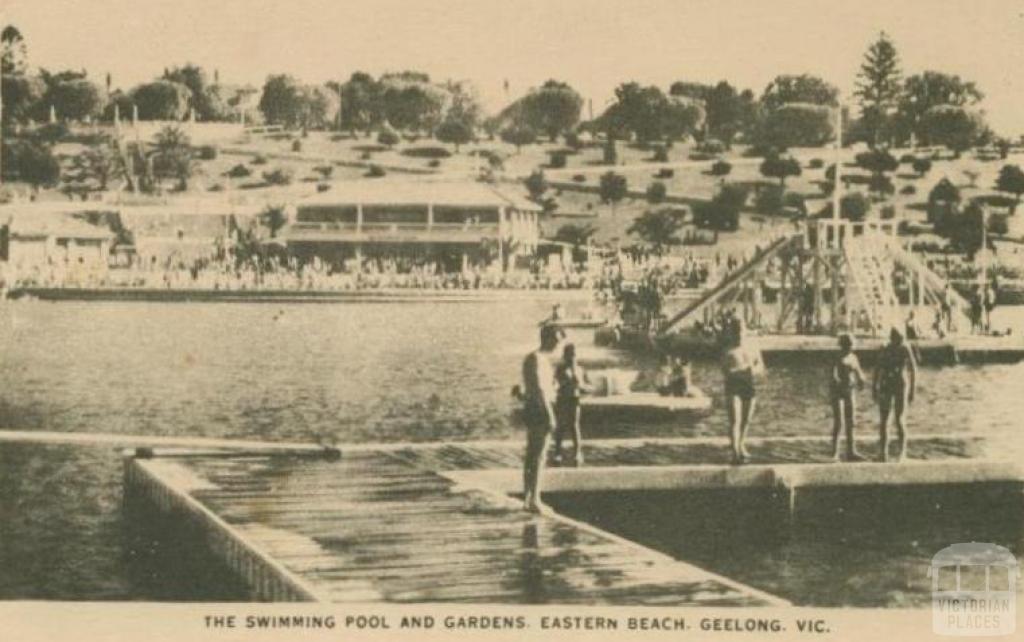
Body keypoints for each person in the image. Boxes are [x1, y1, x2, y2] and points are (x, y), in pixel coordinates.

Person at [520, 324, 564, 514]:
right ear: (547, 338)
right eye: (556, 340)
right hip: (539, 409)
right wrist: (550, 414)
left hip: (537, 407)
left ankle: (529, 497)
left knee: (534, 454)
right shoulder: (536, 359)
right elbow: (539, 390)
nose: (558, 344)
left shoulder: (540, 359)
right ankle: (534, 499)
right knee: (538, 455)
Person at [721, 318, 764, 464]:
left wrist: (753, 369)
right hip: (733, 387)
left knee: (747, 420)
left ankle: (741, 443)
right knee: (735, 421)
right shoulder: (728, 350)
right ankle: (735, 452)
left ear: (745, 331)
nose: (739, 334)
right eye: (736, 331)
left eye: (741, 330)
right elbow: (726, 371)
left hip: (748, 385)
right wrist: (744, 369)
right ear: (731, 333)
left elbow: (761, 367)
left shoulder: (752, 348)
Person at [872, 327, 917, 463]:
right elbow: (878, 368)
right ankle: (883, 453)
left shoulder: (904, 348)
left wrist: (912, 389)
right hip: (889, 383)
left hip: (899, 384)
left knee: (899, 419)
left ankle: (901, 453)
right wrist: (874, 386)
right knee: (885, 420)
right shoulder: (886, 348)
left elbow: (913, 369)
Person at [830, 334, 867, 462]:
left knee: (851, 422)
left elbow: (859, 372)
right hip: (837, 391)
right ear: (843, 345)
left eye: (851, 345)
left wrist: (862, 380)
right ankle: (834, 452)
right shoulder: (836, 357)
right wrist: (836, 380)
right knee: (839, 422)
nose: (850, 348)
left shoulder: (853, 358)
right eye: (848, 345)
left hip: (849, 390)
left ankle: (851, 451)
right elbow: (833, 374)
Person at [553, 343, 588, 467]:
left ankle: (577, 452)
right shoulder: (560, 369)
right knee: (560, 426)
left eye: (574, 355)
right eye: (569, 355)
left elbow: (587, 385)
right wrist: (564, 383)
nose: (572, 357)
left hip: (575, 399)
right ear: (565, 356)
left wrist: (583, 387)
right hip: (562, 399)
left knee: (574, 426)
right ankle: (557, 452)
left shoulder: (580, 369)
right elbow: (555, 383)